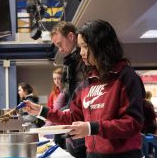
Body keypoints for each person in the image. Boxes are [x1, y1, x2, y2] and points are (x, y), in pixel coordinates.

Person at [24, 19, 145, 158]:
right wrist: (41, 110)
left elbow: (133, 124)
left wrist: (91, 128)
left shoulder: (126, 77)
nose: (81, 53)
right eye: (80, 47)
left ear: (101, 46)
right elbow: (73, 116)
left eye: (85, 47)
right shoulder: (87, 83)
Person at [51, 21, 86, 157]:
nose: (60, 49)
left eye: (60, 44)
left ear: (71, 36)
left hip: (83, 126)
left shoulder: (83, 61)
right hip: (75, 121)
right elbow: (72, 95)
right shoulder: (71, 62)